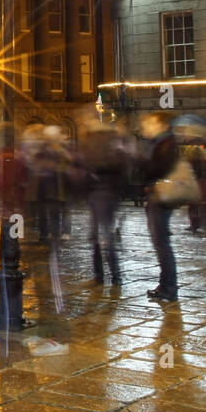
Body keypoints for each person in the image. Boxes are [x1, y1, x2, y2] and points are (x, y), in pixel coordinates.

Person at [79, 112, 127, 291]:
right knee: (98, 236)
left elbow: (96, 164)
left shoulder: (102, 143)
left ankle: (114, 276)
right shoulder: (111, 141)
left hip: (103, 193)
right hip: (101, 192)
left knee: (104, 236)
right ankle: (102, 275)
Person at [140, 112, 181, 303]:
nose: (147, 126)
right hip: (157, 196)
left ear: (162, 125)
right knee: (160, 243)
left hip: (161, 197)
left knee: (162, 244)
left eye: (151, 123)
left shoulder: (166, 144)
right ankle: (165, 285)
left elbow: (158, 169)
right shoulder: (160, 143)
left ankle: (170, 288)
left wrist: (140, 158)